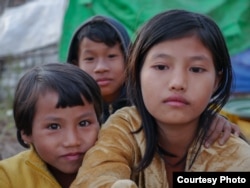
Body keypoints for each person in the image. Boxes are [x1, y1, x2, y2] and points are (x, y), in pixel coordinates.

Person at [70, 9, 250, 188]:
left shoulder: (235, 153)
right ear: (137, 70)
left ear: (216, 81)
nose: (178, 83)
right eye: (161, 67)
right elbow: (96, 179)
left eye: (196, 69)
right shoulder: (125, 127)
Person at [66, 14, 240, 147]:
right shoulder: (67, 104)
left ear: (130, 60)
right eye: (90, 59)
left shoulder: (150, 110)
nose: (101, 67)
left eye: (112, 56)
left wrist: (208, 119)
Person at [0, 63, 103, 188]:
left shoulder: (118, 169)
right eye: (54, 126)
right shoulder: (7, 177)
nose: (72, 141)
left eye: (84, 123)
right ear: (26, 132)